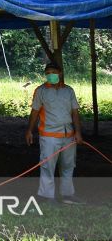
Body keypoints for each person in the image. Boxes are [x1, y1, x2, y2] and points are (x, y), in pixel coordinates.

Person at [25, 62, 84, 204]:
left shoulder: (69, 90)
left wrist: (78, 132)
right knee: (47, 167)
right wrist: (29, 131)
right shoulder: (41, 91)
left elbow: (75, 112)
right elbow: (35, 112)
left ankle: (67, 195)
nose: (50, 75)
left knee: (68, 165)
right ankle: (48, 197)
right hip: (49, 136)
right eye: (47, 73)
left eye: (53, 72)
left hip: (69, 135)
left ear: (60, 73)